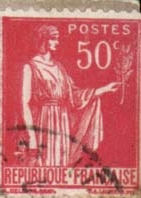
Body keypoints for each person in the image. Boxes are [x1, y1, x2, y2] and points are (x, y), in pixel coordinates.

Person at [21, 24, 120, 166]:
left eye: (57, 39)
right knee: (46, 161)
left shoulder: (59, 67)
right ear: (44, 40)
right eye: (53, 39)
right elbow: (24, 104)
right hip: (44, 120)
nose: (57, 42)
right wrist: (32, 138)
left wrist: (104, 89)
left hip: (62, 121)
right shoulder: (30, 67)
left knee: (61, 162)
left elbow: (74, 96)